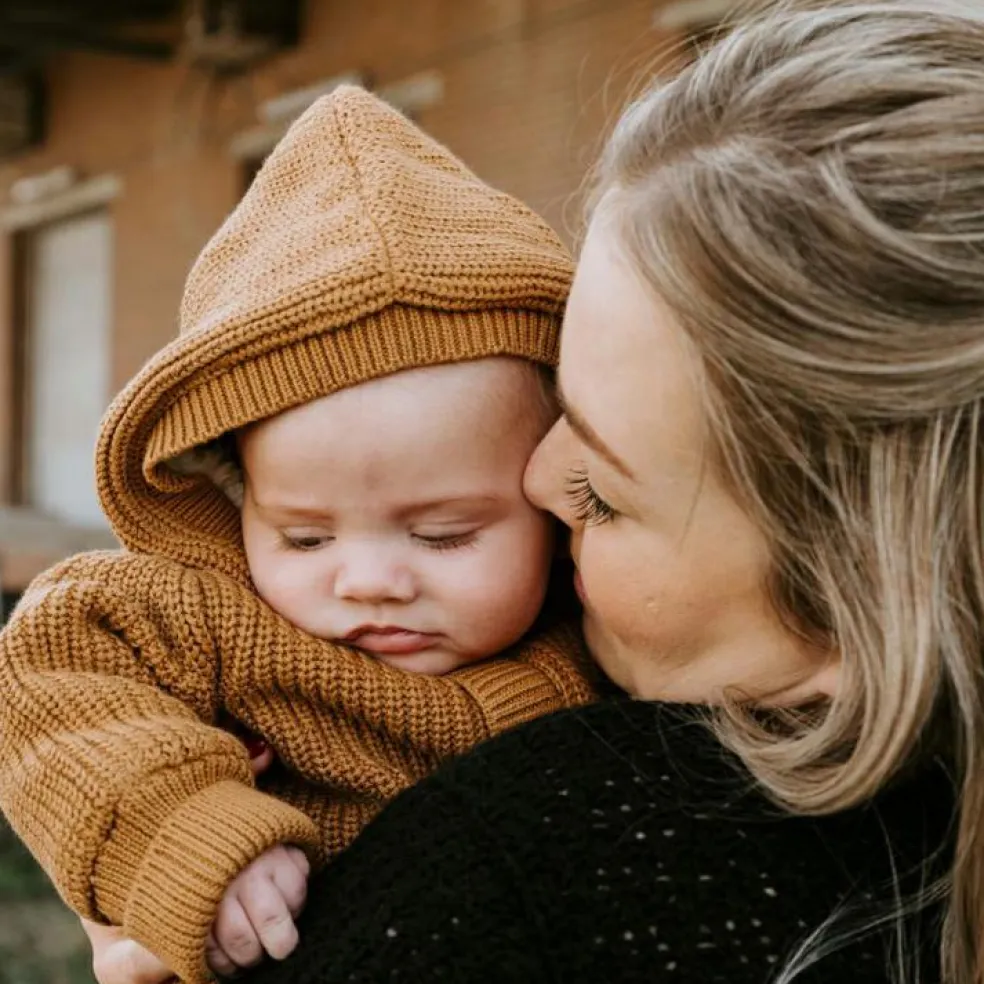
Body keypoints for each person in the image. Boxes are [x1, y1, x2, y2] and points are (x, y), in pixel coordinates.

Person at [84, 0, 984, 981]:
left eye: (603, 490)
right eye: (557, 404)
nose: (536, 483)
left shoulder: (517, 868)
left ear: (862, 605)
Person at [0, 85, 597, 984]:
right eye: (305, 538)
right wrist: (182, 829)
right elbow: (46, 684)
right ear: (234, 496)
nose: (366, 580)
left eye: (441, 535)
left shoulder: (608, 638)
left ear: (556, 501)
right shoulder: (206, 613)